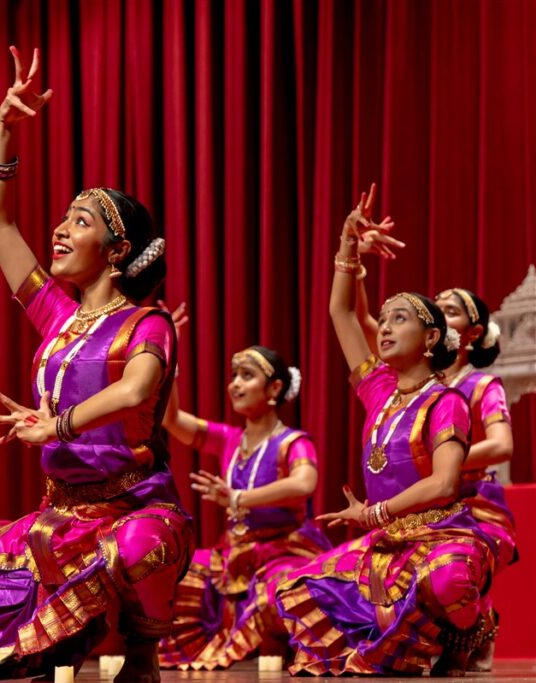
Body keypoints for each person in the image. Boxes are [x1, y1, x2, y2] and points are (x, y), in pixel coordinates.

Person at [0, 46, 192, 683]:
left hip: (138, 514)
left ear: (116, 250)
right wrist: (3, 130)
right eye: (62, 218)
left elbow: (136, 390)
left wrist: (60, 425)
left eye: (78, 222)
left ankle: (143, 649)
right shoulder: (56, 314)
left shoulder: (147, 322)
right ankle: (52, 643)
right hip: (58, 520)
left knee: (131, 549)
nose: (59, 229)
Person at [274, 185, 498, 676]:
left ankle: (476, 625)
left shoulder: (447, 401)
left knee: (446, 583)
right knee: (294, 589)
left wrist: (373, 512)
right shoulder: (378, 389)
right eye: (387, 318)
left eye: (402, 319)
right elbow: (343, 312)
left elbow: (442, 484)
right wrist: (346, 248)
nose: (388, 327)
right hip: (385, 541)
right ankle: (422, 638)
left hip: (442, 535)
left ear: (433, 338)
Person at [356, 273, 516, 670]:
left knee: (449, 574)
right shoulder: (408, 383)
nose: (441, 313)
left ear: (473, 332)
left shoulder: (479, 385)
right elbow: (356, 319)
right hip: (416, 500)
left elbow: (502, 445)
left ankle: (474, 627)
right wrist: (355, 268)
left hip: (469, 499)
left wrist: (437, 459)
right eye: (437, 308)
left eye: (451, 311)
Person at [156, 345, 330, 670]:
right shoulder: (230, 440)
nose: (235, 384)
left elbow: (304, 483)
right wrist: (171, 357)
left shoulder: (293, 442)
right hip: (235, 551)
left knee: (283, 589)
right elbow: (173, 419)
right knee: (180, 572)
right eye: (234, 376)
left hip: (284, 549)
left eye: (247, 376)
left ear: (275, 388)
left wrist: (238, 498)